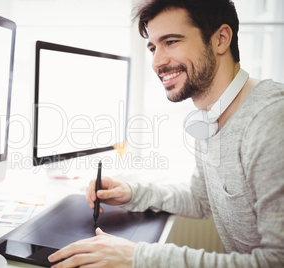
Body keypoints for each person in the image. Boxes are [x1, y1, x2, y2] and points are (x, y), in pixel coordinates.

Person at [48, 0, 284, 267]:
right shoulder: (211, 115)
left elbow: (276, 261)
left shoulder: (271, 121)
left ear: (221, 39)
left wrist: (137, 257)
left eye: (171, 41)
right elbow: (201, 199)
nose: (157, 62)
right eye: (152, 47)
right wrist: (131, 192)